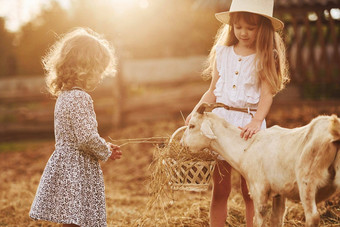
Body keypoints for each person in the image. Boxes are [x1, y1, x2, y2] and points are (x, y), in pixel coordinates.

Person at [185, 0, 289, 226]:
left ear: (262, 28)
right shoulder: (222, 53)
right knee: (220, 188)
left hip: (247, 126)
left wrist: (256, 120)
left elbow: (266, 95)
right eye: (238, 26)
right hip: (221, 125)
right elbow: (212, 91)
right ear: (231, 26)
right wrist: (196, 112)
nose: (243, 32)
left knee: (251, 188)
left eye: (250, 28)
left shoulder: (265, 55)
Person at [29, 27, 122, 227]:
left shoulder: (64, 97)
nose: (100, 77)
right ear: (85, 68)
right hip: (78, 169)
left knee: (71, 217)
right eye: (99, 71)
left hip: (66, 164)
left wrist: (103, 145)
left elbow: (78, 135)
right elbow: (86, 138)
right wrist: (105, 150)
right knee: (78, 219)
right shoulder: (81, 97)